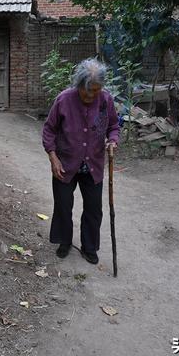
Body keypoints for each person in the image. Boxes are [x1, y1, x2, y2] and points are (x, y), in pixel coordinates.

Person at [41, 58, 120, 264]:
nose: (91, 95)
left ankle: (89, 247)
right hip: (65, 163)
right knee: (63, 205)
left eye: (96, 90)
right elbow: (49, 130)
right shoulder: (64, 100)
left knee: (94, 209)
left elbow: (113, 126)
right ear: (79, 84)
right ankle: (64, 241)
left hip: (93, 164)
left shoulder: (106, 100)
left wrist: (112, 140)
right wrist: (53, 157)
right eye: (87, 90)